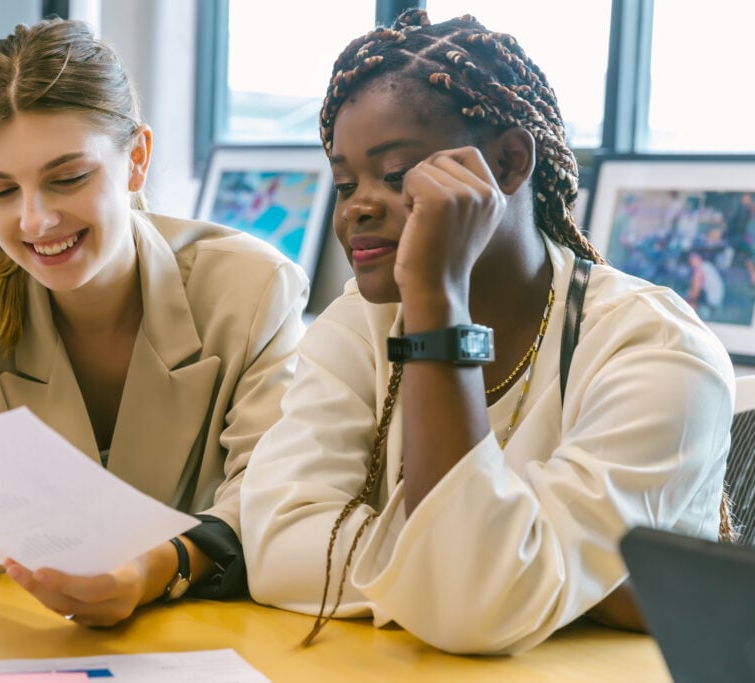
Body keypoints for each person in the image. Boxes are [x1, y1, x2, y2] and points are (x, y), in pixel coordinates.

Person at [239, 9, 734, 655]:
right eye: (343, 180)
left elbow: (474, 607)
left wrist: (437, 298)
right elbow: (275, 545)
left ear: (507, 162)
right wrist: (494, 572)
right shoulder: (358, 324)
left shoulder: (656, 350)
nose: (358, 204)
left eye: (395, 175)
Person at [0, 18, 308, 626]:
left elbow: (271, 497)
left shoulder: (252, 290)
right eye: (1, 191)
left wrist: (152, 569)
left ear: (136, 159)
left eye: (68, 178)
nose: (34, 221)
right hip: (24, 634)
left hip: (210, 627)